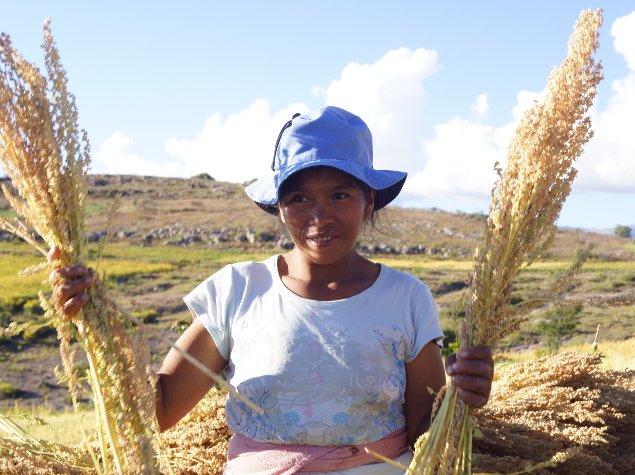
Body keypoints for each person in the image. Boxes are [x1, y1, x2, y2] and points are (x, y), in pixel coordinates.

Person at [51, 106, 494, 474]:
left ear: (369, 200)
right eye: (299, 198)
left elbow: (425, 432)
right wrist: (99, 325)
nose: (319, 216)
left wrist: (464, 394)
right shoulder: (238, 290)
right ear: (279, 208)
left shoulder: (405, 298)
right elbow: (160, 410)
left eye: (340, 195)